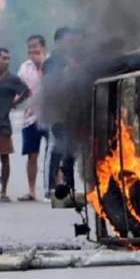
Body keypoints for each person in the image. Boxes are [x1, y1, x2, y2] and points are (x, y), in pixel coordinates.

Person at [0, 48, 30, 203]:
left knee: (4, 157)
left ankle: (4, 191)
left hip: (2, 123)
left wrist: (15, 102)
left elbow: (26, 91)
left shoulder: (12, 79)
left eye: (8, 59)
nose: (6, 61)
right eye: (3, 58)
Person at [43, 27, 78, 197]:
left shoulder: (75, 59)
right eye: (68, 41)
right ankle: (51, 186)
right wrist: (68, 72)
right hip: (58, 112)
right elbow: (51, 85)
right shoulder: (51, 62)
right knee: (58, 148)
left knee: (70, 151)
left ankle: (69, 186)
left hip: (73, 112)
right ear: (58, 42)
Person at [17, 35, 48, 201]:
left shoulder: (51, 63)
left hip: (50, 115)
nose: (32, 50)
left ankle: (55, 189)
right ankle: (31, 191)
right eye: (29, 47)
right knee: (31, 155)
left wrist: (41, 64)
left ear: (43, 47)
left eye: (35, 46)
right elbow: (21, 89)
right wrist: (14, 102)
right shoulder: (24, 67)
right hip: (30, 117)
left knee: (53, 153)